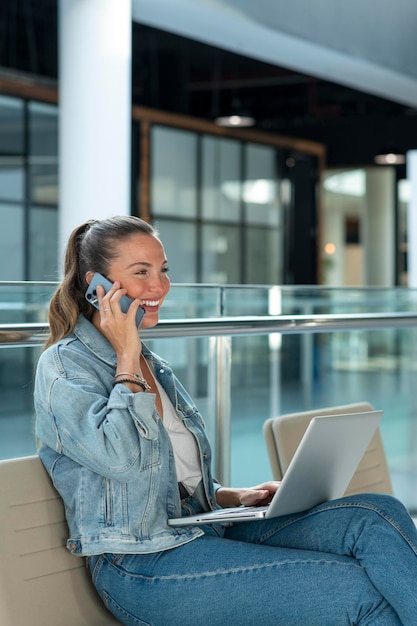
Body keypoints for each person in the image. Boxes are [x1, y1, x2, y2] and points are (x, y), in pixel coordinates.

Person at [34, 215, 417, 626]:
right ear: (97, 285)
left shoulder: (155, 366)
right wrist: (126, 357)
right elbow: (122, 461)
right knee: (356, 590)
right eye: (140, 272)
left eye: (162, 270)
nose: (158, 286)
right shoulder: (65, 367)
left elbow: (168, 479)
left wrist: (232, 496)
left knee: (377, 516)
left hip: (203, 533)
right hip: (142, 564)